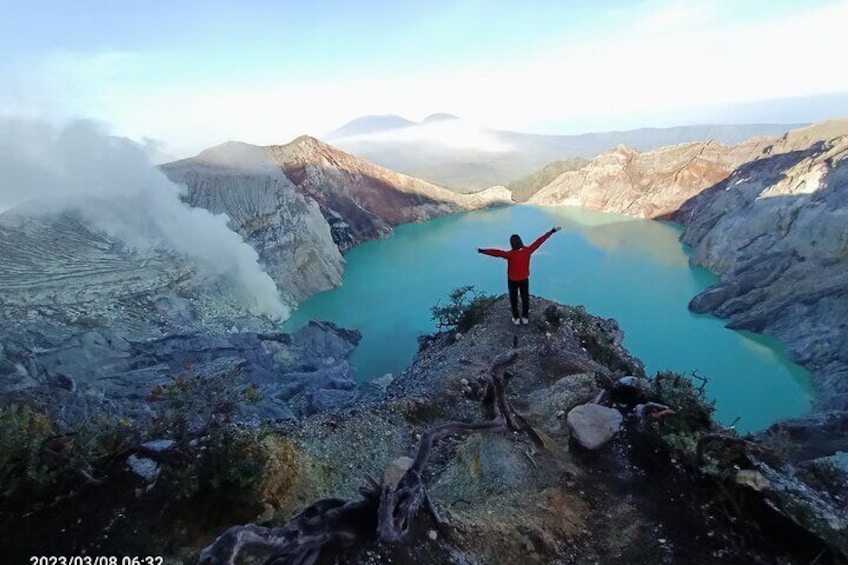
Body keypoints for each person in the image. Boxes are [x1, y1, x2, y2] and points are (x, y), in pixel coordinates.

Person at [477, 226, 561, 325]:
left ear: (512, 244)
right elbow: (540, 241)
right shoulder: (528, 251)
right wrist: (552, 231)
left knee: (513, 299)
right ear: (520, 241)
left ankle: (516, 318)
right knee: (525, 298)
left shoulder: (510, 254)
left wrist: (482, 251)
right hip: (524, 279)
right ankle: (525, 318)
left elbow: (496, 253)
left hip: (512, 280)